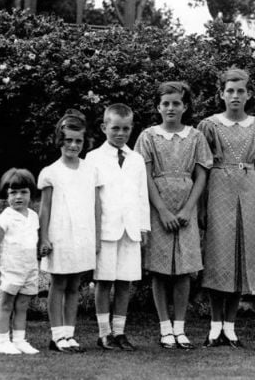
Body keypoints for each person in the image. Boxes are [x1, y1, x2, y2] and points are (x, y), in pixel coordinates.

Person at [134, 82, 212, 349]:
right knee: (159, 270)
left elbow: (202, 174)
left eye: (176, 103)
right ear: (158, 107)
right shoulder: (148, 137)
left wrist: (189, 208)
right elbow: (143, 175)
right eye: (165, 103)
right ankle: (164, 327)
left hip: (186, 207)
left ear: (185, 106)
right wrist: (163, 210)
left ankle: (180, 328)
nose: (170, 108)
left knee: (183, 271)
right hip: (159, 207)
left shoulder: (195, 137)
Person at [197, 68, 255, 348]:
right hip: (218, 190)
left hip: (249, 191)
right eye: (230, 90)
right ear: (221, 94)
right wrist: (202, 206)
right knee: (219, 256)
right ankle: (215, 326)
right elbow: (202, 168)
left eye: (240, 91)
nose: (235, 96)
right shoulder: (210, 125)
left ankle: (230, 326)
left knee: (241, 258)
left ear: (248, 94)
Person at [86, 103, 150, 351]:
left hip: (131, 230)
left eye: (125, 128)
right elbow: (92, 198)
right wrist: (93, 233)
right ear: (104, 127)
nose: (120, 133)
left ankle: (120, 332)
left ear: (132, 128)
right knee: (104, 281)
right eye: (115, 128)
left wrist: (144, 228)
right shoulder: (93, 158)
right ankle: (104, 334)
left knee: (125, 282)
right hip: (106, 231)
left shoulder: (136, 159)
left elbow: (141, 195)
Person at [39, 109, 102, 353]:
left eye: (78, 141)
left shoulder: (91, 170)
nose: (73, 145)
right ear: (60, 141)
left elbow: (96, 206)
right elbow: (45, 210)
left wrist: (96, 238)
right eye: (68, 140)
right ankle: (57, 336)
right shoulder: (51, 172)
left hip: (83, 235)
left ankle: (69, 334)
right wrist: (44, 237)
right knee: (59, 283)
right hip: (60, 235)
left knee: (75, 284)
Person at [0, 168, 42, 354]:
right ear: (6, 194)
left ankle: (19, 340)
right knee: (6, 304)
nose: (18, 197)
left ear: (31, 194)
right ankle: (2, 342)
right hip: (9, 269)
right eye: (13, 192)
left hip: (29, 269)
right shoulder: (4, 218)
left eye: (23, 192)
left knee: (22, 306)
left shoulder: (34, 216)